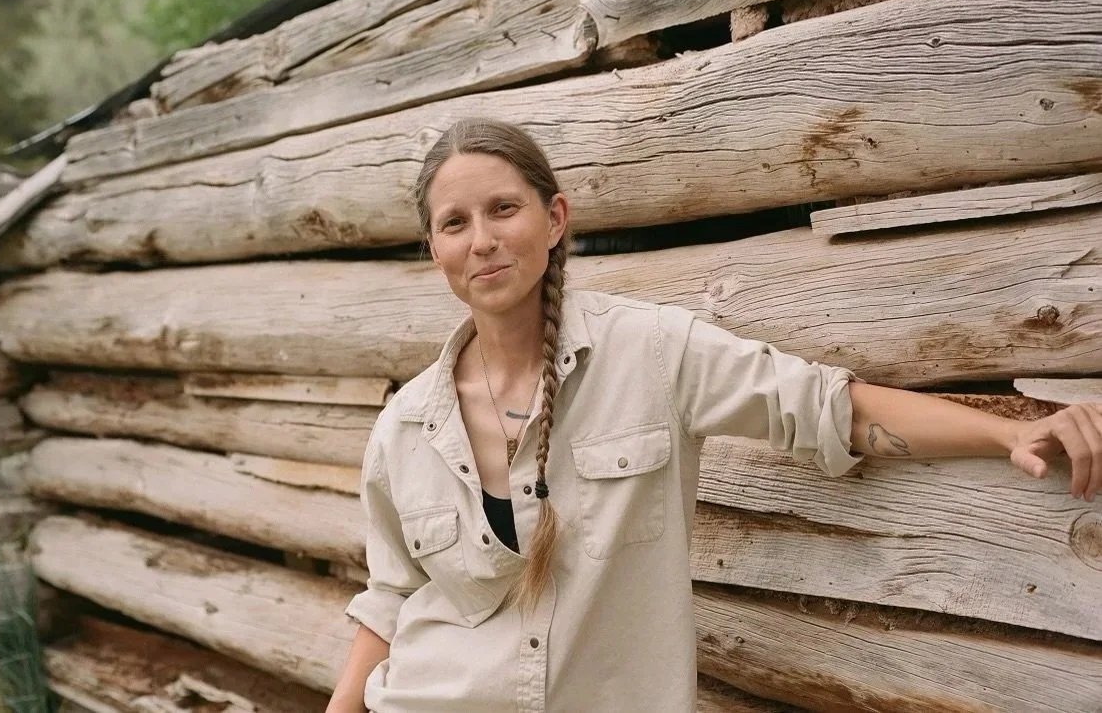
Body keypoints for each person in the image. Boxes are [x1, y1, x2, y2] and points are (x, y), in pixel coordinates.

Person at [327, 119, 1101, 713]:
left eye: (503, 208)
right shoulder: (401, 431)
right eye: (455, 222)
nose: (484, 240)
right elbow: (391, 595)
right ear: (434, 248)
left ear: (555, 217)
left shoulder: (653, 351)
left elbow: (824, 406)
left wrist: (1009, 430)